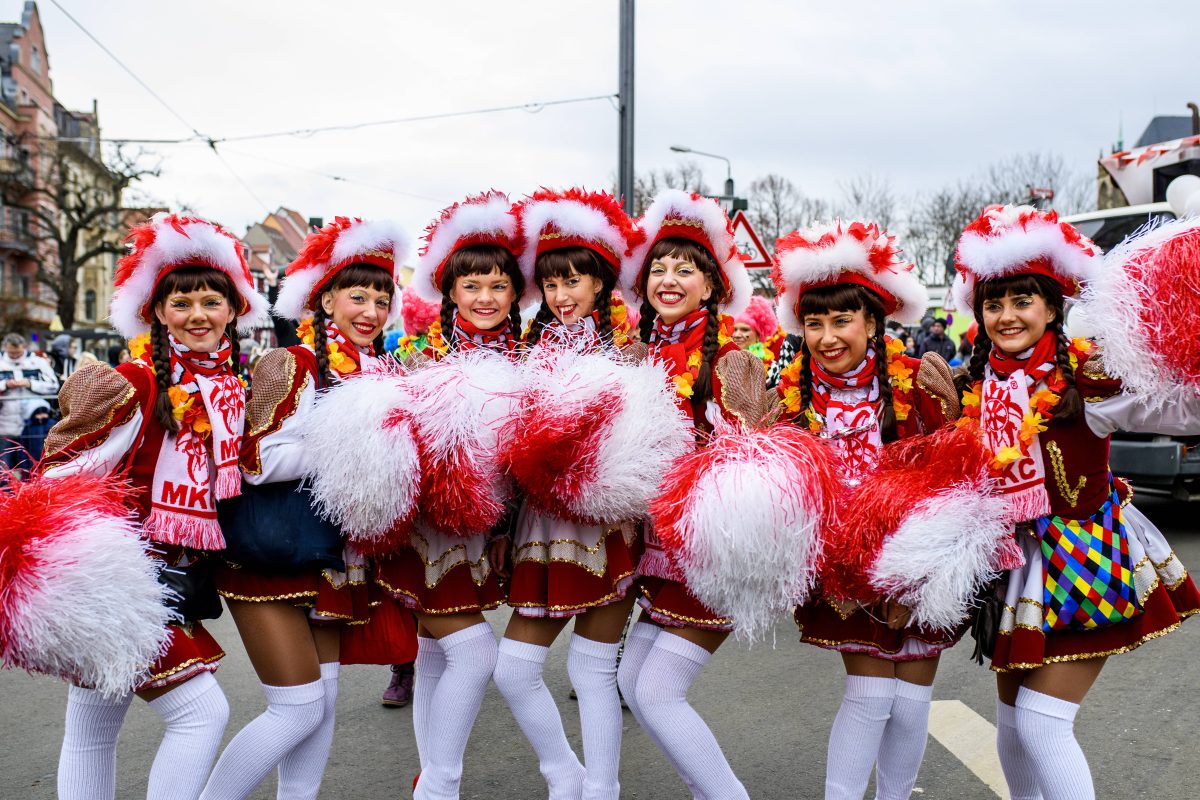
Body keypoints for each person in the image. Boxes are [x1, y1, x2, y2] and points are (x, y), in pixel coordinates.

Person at [951, 204, 1200, 800]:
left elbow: (1182, 408)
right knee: (1011, 726)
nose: (1006, 316)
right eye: (993, 303)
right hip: (1016, 568)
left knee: (1041, 722)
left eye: (1022, 301)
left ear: (1052, 306)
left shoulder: (1088, 375)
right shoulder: (980, 384)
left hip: (1084, 558)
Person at [44, 213, 270, 800]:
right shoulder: (136, 381)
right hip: (126, 580)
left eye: (211, 302)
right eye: (182, 303)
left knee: (92, 724)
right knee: (201, 713)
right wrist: (96, 556)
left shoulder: (230, 388)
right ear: (158, 313)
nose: (198, 315)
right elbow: (64, 474)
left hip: (176, 574)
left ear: (233, 311)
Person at [201, 217, 413, 799]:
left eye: (380, 297)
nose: (370, 309)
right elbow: (256, 461)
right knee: (295, 708)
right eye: (356, 295)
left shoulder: (385, 369)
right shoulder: (291, 362)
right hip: (271, 556)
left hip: (335, 562)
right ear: (324, 300)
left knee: (321, 707)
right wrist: (350, 439)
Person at [771, 220, 971, 800]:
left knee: (910, 703)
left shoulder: (915, 387)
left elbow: (948, 483)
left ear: (873, 322)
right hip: (846, 566)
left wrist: (910, 576)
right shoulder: (794, 396)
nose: (828, 336)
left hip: (917, 562)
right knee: (870, 695)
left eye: (842, 321)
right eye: (814, 323)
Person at [492, 188, 643, 800]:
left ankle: (599, 789)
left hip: (607, 524)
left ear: (602, 282)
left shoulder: (632, 353)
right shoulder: (528, 351)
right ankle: (564, 773)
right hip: (539, 526)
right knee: (515, 668)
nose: (561, 296)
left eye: (574, 280)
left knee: (593, 669)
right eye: (551, 284)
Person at [377, 190, 528, 800]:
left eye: (497, 286)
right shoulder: (418, 358)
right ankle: (439, 784)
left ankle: (433, 780)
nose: (485, 298)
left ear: (516, 293)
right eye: (472, 286)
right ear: (450, 294)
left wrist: (502, 530)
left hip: (485, 530)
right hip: (427, 529)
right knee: (471, 654)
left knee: (438, 657)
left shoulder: (532, 360)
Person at [615, 189, 763, 799]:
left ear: (713, 285)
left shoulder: (732, 362)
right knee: (631, 682)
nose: (668, 279)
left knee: (655, 690)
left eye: (686, 269)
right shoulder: (637, 354)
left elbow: (757, 466)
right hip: (657, 552)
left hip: (709, 554)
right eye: (659, 268)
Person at [0, 331, 57, 469]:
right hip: (5, 425)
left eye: (17, 353)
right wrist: (5, 385)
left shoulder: (38, 362)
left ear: (24, 347)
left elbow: (53, 385)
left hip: (34, 425)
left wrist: (30, 384)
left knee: (33, 466)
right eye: (11, 353)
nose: (14, 357)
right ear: (5, 348)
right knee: (4, 468)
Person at [731, 294, 783, 372]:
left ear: (759, 335)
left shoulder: (771, 369)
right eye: (734, 330)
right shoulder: (723, 364)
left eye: (745, 330)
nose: (737, 335)